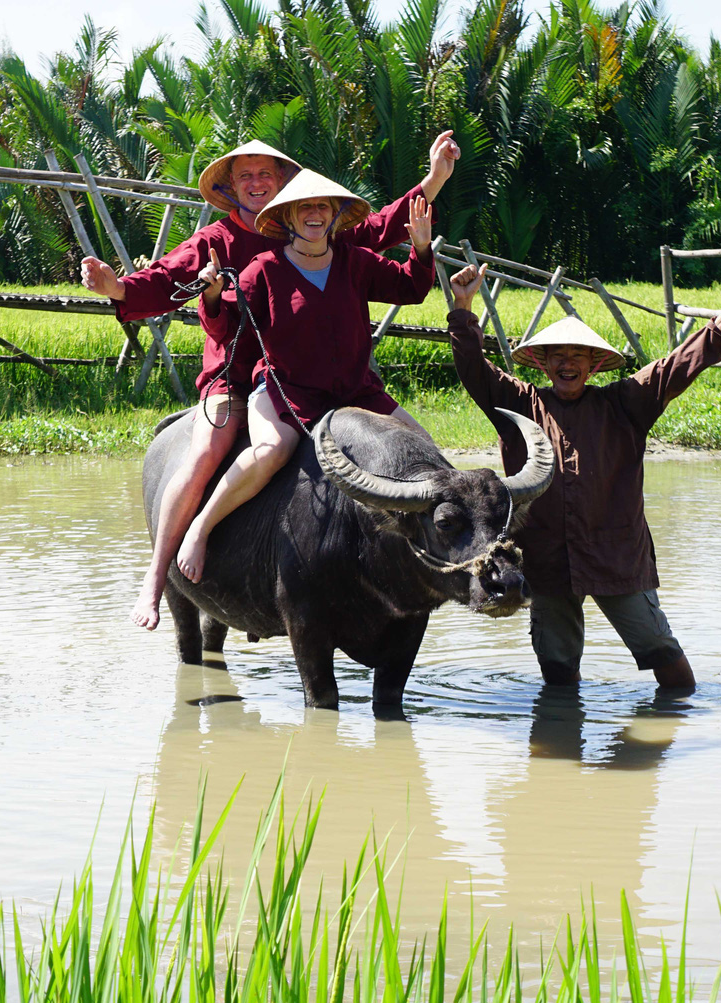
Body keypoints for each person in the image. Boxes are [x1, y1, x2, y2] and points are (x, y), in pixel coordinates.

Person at [81, 133, 461, 630]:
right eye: (246, 176)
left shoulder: (321, 234)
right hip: (242, 376)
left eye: (267, 174)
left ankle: (435, 557)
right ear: (232, 187)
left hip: (333, 376)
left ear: (286, 186)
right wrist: (117, 288)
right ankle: (157, 576)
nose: (257, 183)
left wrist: (433, 181)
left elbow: (380, 227)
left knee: (414, 448)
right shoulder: (219, 244)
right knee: (207, 453)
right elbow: (168, 281)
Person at [445, 263, 721, 694]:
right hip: (548, 561)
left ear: (593, 364)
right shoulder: (518, 404)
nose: (567, 363)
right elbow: (474, 370)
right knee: (557, 670)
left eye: (577, 356)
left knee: (664, 657)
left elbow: (674, 368)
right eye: (558, 356)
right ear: (544, 362)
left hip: (616, 555)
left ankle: (678, 725)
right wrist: (463, 308)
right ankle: (561, 747)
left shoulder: (625, 403)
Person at [175, 171, 438, 582]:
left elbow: (410, 288)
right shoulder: (263, 269)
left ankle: (436, 554)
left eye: (323, 206)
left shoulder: (357, 261)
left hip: (356, 391)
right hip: (288, 389)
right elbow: (227, 327)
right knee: (272, 451)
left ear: (335, 216)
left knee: (424, 449)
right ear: (289, 218)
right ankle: (201, 526)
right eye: (305, 207)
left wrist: (420, 249)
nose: (314, 213)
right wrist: (210, 295)